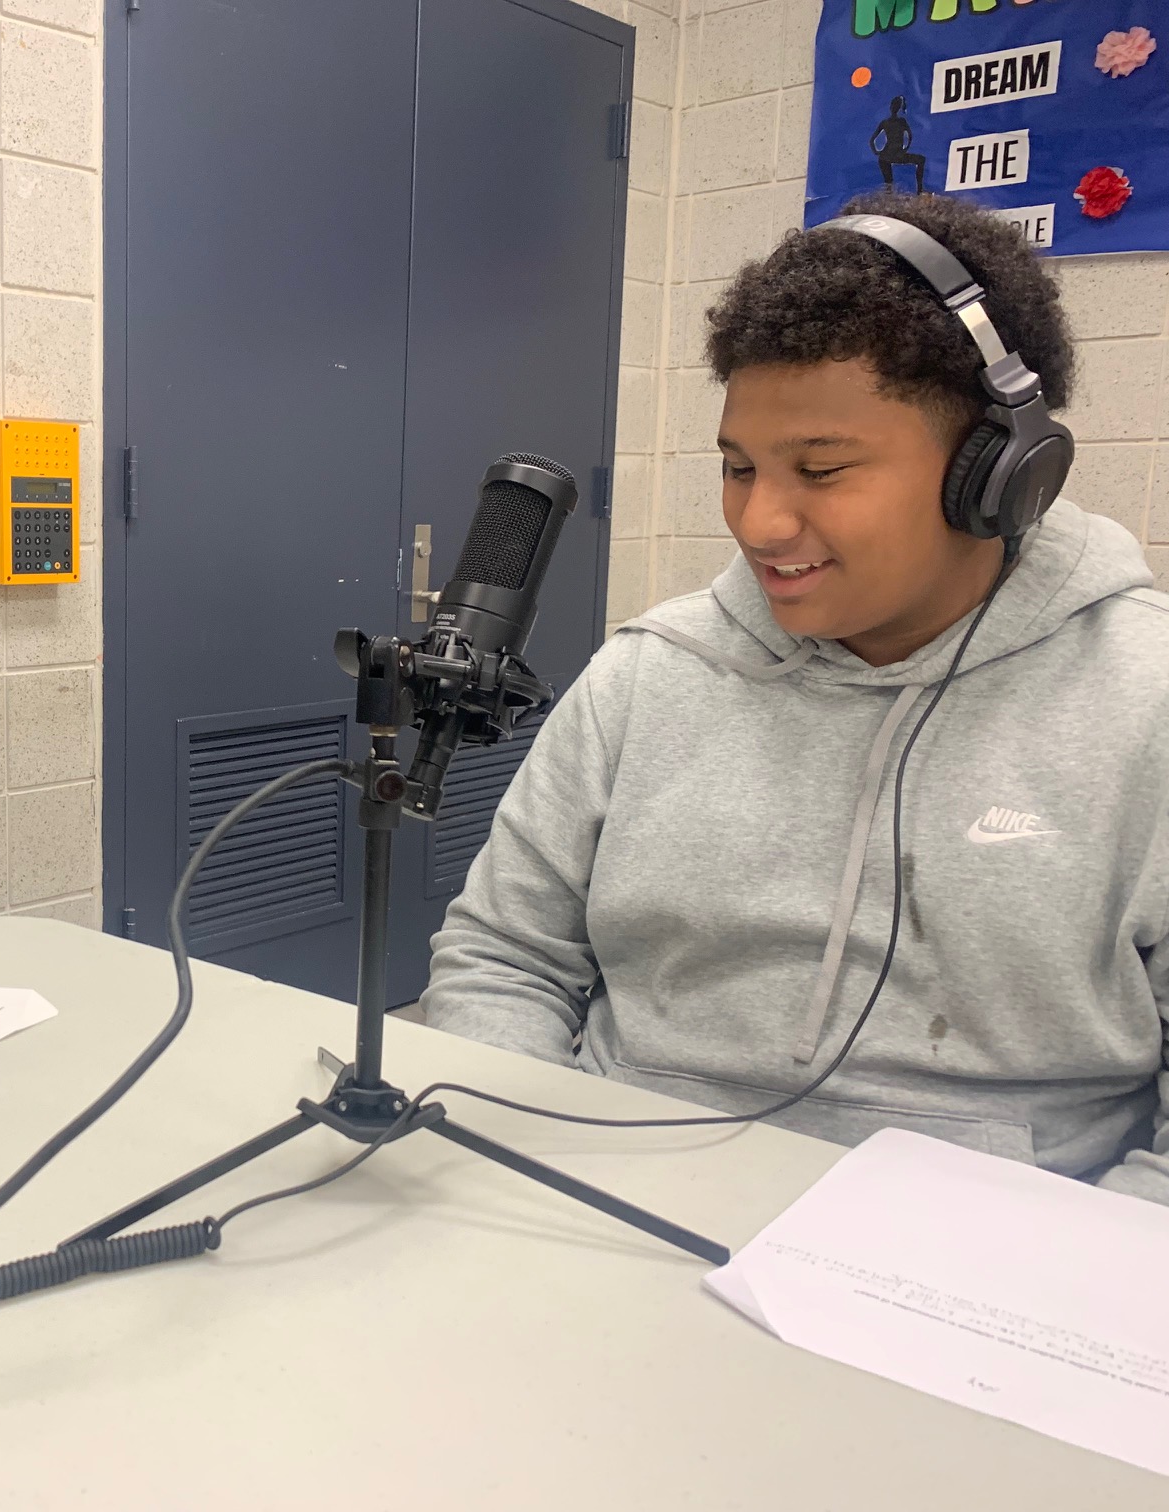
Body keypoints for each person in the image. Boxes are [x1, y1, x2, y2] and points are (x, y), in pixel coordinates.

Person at [421, 192, 1169, 1205]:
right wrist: (523, 1172)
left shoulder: (1146, 703)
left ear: (997, 477)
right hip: (607, 1216)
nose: (762, 522)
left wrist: (1062, 1289)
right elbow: (502, 961)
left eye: (821, 469)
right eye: (737, 468)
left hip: (993, 1276)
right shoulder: (649, 673)